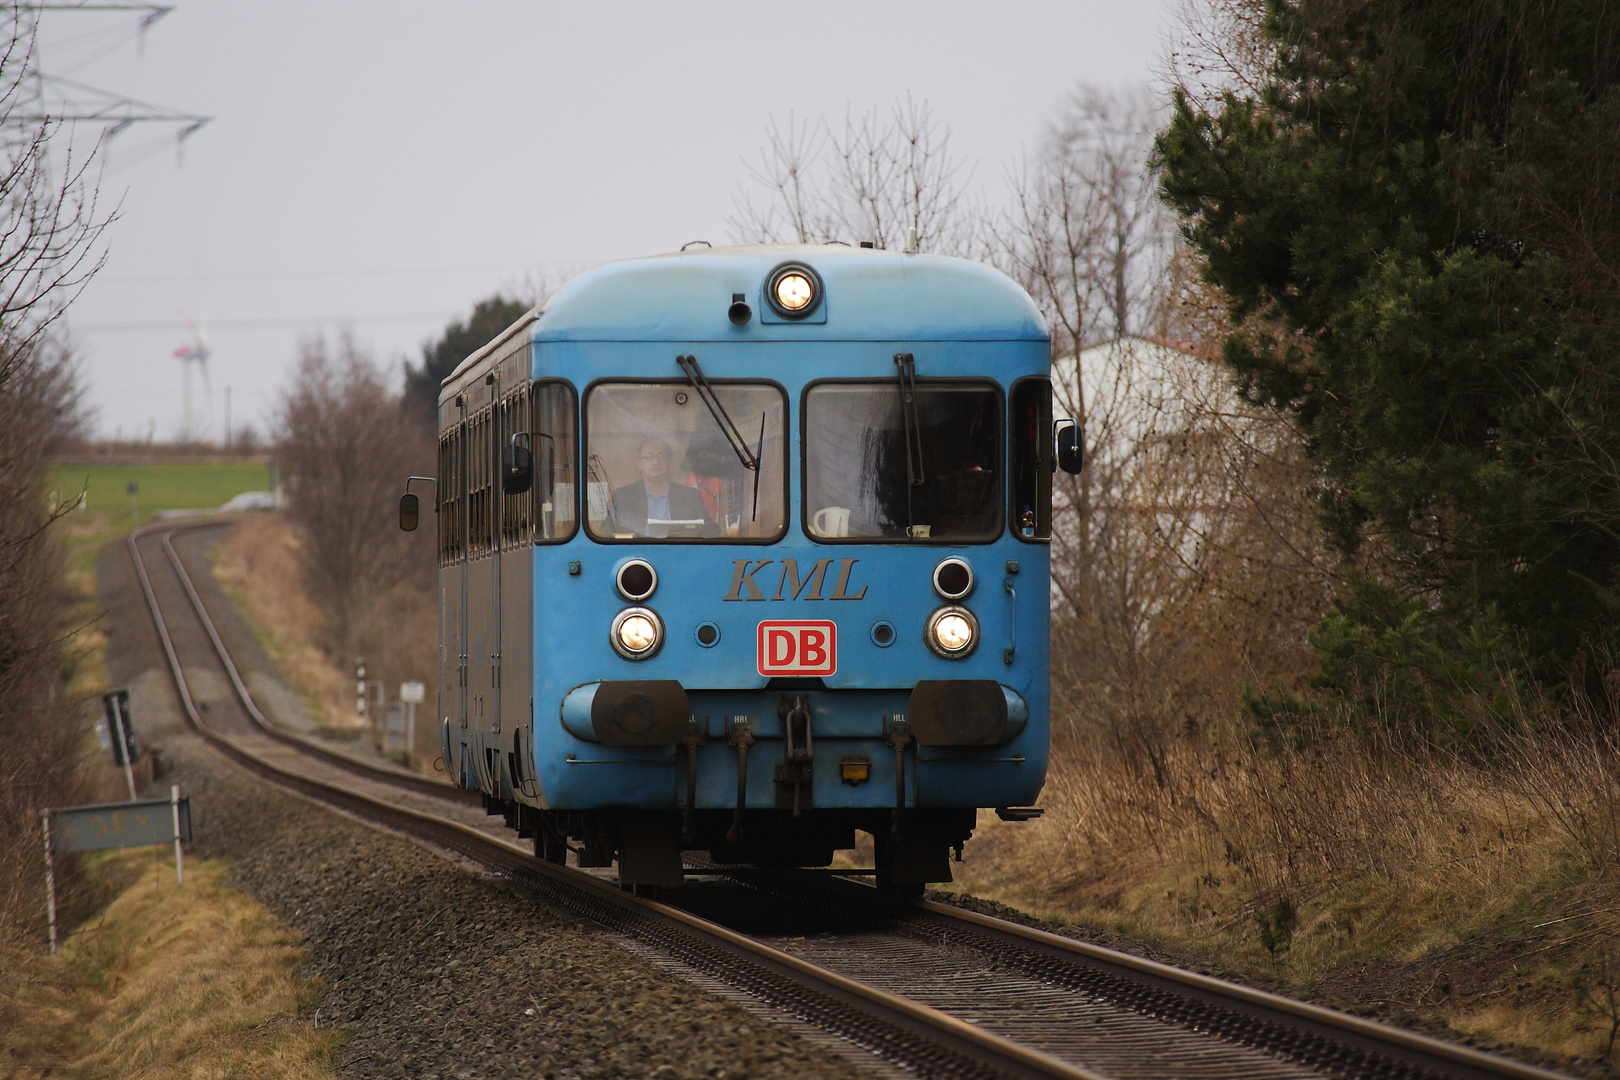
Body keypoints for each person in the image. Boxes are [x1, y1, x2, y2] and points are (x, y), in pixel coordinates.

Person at [609, 438, 717, 537]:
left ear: (669, 463)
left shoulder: (690, 496)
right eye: (649, 457)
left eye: (662, 456)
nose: (656, 462)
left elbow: (711, 531)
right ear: (639, 464)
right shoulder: (623, 497)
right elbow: (606, 532)